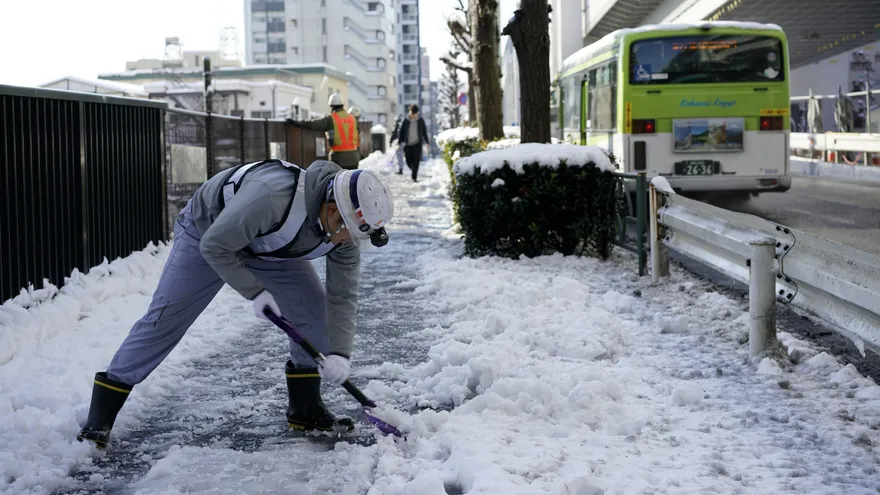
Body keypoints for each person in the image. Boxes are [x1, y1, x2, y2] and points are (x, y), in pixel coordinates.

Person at [76, 158, 394, 448]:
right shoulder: (273, 196)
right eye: (349, 234)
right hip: (208, 233)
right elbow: (216, 246)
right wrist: (254, 291)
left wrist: (339, 352)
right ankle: (99, 419)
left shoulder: (346, 237)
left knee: (317, 317)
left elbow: (342, 298)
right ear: (333, 210)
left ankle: (305, 408)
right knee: (166, 320)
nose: (349, 243)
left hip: (270, 247)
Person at [287, 93, 360, 170]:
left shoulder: (331, 119)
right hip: (354, 158)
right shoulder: (353, 118)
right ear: (342, 104)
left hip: (338, 158)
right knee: (352, 180)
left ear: (331, 106)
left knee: (338, 181)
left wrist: (296, 123)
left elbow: (313, 124)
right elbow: (358, 137)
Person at [396, 104, 429, 182]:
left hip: (417, 143)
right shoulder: (406, 120)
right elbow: (402, 131)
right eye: (412, 113)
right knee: (408, 160)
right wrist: (400, 142)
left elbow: (424, 131)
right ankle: (413, 170)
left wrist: (427, 142)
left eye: (415, 113)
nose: (413, 115)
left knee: (416, 160)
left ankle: (414, 176)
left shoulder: (420, 120)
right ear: (410, 112)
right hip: (408, 144)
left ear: (417, 113)